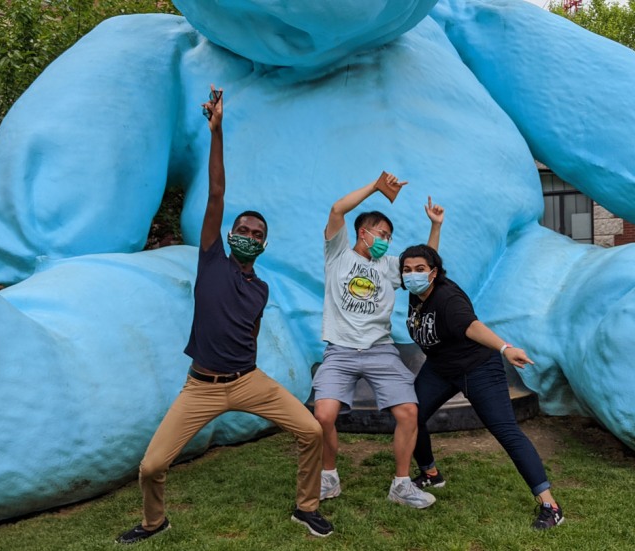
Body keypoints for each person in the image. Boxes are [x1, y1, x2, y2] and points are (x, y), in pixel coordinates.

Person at [116, 86, 332, 543]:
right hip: (201, 386)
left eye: (257, 233)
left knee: (311, 431)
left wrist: (248, 377)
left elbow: (248, 333)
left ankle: (306, 507)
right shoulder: (212, 257)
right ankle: (155, 521)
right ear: (230, 233)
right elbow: (217, 191)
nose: (249, 234)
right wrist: (217, 132)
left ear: (264, 243)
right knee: (152, 464)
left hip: (249, 381)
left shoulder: (262, 288)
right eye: (244, 228)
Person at [398, 244, 565, 530]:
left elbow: (471, 326)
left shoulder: (448, 299)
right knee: (410, 414)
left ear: (433, 273)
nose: (413, 275)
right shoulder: (417, 294)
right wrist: (435, 227)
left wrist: (505, 348)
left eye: (420, 270)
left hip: (478, 368)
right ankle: (431, 473)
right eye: (407, 270)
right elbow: (429, 253)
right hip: (440, 368)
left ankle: (550, 505)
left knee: (506, 431)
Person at [313, 175, 444, 509]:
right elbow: (336, 209)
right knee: (324, 414)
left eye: (389, 237)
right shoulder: (337, 254)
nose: (386, 241)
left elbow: (423, 267)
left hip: (380, 350)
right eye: (382, 235)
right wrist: (374, 187)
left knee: (408, 412)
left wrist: (435, 227)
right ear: (363, 233)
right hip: (340, 351)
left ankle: (401, 485)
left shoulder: (388, 266)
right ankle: (328, 477)